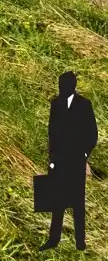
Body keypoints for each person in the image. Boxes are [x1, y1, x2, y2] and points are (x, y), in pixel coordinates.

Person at [48, 71, 98, 250]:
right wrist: (52, 159)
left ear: (73, 85)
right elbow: (52, 133)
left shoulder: (84, 104)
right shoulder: (55, 104)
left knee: (78, 202)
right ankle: (53, 239)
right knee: (57, 201)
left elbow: (92, 133)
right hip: (59, 159)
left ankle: (80, 241)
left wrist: (84, 155)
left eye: (66, 84)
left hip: (77, 159)